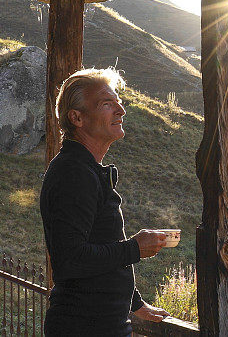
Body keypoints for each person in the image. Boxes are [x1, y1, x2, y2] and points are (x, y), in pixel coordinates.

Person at [40, 68, 170, 336]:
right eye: (107, 104)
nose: (120, 111)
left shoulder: (84, 168)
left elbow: (101, 246)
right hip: (84, 327)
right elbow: (71, 259)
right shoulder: (73, 173)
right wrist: (135, 248)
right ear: (76, 117)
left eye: (119, 103)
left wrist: (134, 303)